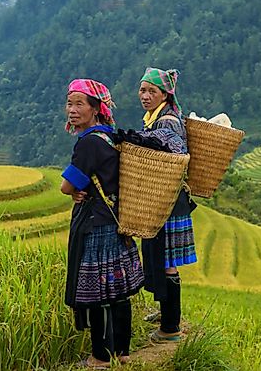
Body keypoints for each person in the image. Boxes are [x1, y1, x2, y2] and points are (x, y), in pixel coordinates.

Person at [61, 78, 144, 368]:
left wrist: (74, 192)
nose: (72, 110)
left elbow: (67, 185)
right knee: (118, 292)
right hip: (116, 222)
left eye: (79, 104)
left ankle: (99, 357)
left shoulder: (88, 144)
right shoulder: (109, 137)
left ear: (96, 109)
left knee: (96, 294)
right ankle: (122, 352)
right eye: (69, 103)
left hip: (97, 226)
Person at [137, 67, 197, 343]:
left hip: (169, 202)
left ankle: (170, 328)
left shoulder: (167, 122)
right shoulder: (154, 118)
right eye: (142, 90)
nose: (145, 96)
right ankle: (165, 312)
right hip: (165, 199)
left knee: (167, 262)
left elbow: (173, 160)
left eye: (152, 91)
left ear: (165, 95)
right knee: (161, 258)